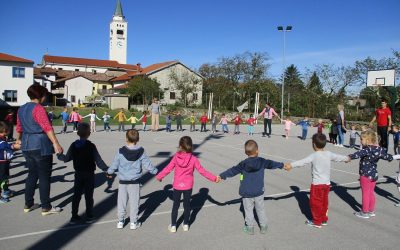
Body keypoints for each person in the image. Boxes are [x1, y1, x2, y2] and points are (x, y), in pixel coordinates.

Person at [218, 140, 288, 235]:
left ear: (245, 152)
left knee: (248, 210)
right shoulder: (262, 161)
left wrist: (222, 176)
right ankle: (263, 227)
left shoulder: (243, 164)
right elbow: (272, 164)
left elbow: (232, 170)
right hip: (259, 191)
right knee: (261, 209)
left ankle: (250, 228)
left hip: (246, 193)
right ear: (257, 151)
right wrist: (282, 165)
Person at [15, 83, 63, 215]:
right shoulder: (38, 108)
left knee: (32, 173)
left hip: (26, 143)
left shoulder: (21, 108)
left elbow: (19, 127)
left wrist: (18, 139)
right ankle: (46, 206)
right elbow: (47, 127)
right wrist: (56, 143)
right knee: (44, 176)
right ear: (41, 95)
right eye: (45, 95)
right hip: (40, 144)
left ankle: (28, 203)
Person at [156, 136, 219, 233]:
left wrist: (160, 176)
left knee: (175, 205)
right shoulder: (193, 159)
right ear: (190, 146)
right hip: (188, 186)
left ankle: (173, 225)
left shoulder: (176, 157)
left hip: (177, 186)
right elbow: (202, 171)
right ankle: (186, 224)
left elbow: (168, 168)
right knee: (187, 205)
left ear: (180, 146)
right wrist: (214, 178)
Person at [286, 133, 350, 228]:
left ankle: (317, 221)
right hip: (327, 185)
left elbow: (302, 162)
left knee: (315, 203)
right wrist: (347, 158)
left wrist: (291, 165)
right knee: (324, 202)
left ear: (314, 144)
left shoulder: (314, 155)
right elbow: (338, 157)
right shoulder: (329, 154)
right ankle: (323, 219)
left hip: (317, 185)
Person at [57, 123, 108, 224]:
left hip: (78, 174)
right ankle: (89, 215)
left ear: (78, 133)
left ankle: (74, 216)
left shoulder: (73, 145)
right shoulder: (91, 146)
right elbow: (98, 160)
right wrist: (106, 169)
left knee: (77, 195)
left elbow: (67, 158)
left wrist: (59, 155)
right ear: (89, 133)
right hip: (89, 174)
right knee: (89, 196)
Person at [107, 129, 158, 229]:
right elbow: (148, 165)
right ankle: (133, 222)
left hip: (123, 182)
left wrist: (109, 172)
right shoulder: (141, 151)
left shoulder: (120, 151)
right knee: (134, 203)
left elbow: (114, 164)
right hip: (134, 182)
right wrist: (156, 172)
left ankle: (120, 221)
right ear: (138, 139)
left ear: (126, 138)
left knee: (121, 202)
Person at [348, 130, 398, 219]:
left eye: (361, 139)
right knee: (371, 193)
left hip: (365, 175)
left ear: (368, 140)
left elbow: (357, 154)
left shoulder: (367, 150)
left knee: (365, 193)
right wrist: (393, 157)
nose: (360, 141)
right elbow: (387, 157)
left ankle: (364, 212)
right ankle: (371, 211)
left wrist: (348, 157)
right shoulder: (379, 150)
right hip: (374, 175)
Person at [0, 122, 20, 203]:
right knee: (1, 179)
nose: (7, 132)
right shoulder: (1, 141)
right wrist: (13, 146)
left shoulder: (3, 138)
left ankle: (6, 191)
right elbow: (4, 145)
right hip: (1, 163)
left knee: (5, 178)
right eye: (6, 131)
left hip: (5, 162)